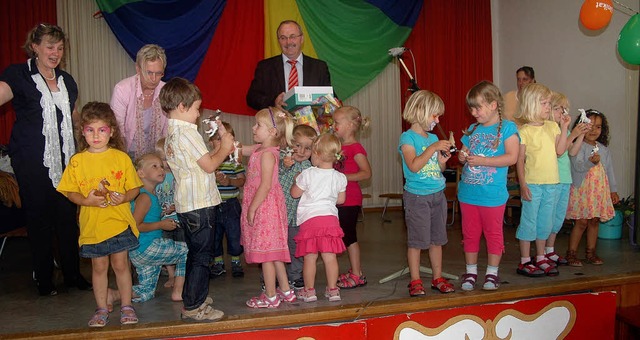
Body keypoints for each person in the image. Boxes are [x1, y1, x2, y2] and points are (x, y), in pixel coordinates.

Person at [0, 23, 90, 296]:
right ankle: (44, 278)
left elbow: (75, 119)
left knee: (66, 218)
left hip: (66, 162)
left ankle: (73, 274)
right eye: (50, 47)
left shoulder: (67, 81)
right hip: (31, 161)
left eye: (60, 48)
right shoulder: (18, 75)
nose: (55, 52)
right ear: (35, 47)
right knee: (38, 219)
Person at [56, 102, 142, 327]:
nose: (96, 135)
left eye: (101, 130)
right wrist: (85, 201)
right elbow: (70, 191)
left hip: (119, 223)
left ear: (111, 131)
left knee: (121, 265)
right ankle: (102, 308)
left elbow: (134, 189)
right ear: (82, 132)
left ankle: (126, 305)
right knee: (99, 267)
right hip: (92, 227)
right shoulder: (77, 162)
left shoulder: (121, 158)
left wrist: (123, 197)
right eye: (90, 130)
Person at [160, 77, 233, 321]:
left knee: (195, 254)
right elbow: (211, 164)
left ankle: (195, 294)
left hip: (187, 203)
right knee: (202, 257)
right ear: (182, 106)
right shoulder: (187, 134)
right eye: (196, 108)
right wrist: (226, 145)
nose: (199, 114)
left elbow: (200, 162)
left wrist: (218, 149)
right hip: (199, 204)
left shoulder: (172, 132)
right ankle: (193, 306)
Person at [457, 81, 519, 291]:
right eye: (471, 108)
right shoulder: (473, 129)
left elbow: (512, 157)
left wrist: (483, 161)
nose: (474, 112)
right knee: (470, 234)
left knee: (493, 234)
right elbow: (462, 154)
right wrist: (463, 156)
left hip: (492, 195)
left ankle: (492, 274)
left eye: (478, 107)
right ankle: (471, 272)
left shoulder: (509, 128)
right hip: (468, 194)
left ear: (493, 105)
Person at [398, 90, 455, 296]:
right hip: (417, 197)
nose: (437, 120)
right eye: (434, 115)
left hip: (437, 194)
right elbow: (413, 165)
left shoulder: (432, 137)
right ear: (421, 112)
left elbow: (435, 169)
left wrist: (441, 162)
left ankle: (437, 277)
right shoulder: (407, 138)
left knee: (436, 240)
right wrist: (432, 148)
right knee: (417, 241)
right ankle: (415, 280)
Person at [241, 106, 296, 308]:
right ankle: (287, 291)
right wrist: (223, 134)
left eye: (258, 125)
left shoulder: (267, 154)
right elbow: (240, 149)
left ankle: (271, 296)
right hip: (266, 205)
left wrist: (252, 208)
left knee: (266, 254)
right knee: (273, 252)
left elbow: (265, 185)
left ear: (272, 132)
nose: (253, 128)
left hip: (264, 206)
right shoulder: (259, 149)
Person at [514, 83, 570, 277]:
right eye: (544, 103)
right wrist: (522, 184)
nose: (548, 107)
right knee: (529, 221)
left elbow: (560, 150)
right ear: (531, 105)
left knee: (545, 222)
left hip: (552, 183)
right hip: (533, 184)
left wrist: (564, 128)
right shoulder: (524, 131)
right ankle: (524, 260)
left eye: (548, 103)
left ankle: (540, 257)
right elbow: (519, 160)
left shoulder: (552, 126)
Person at [291, 133, 347, 302]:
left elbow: (294, 194)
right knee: (330, 257)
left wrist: (296, 181)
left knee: (310, 257)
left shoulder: (307, 174)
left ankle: (309, 291)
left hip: (310, 221)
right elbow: (341, 200)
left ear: (318, 154)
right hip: (330, 221)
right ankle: (333, 290)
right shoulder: (340, 177)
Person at [129, 153, 187, 303]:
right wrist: (161, 224)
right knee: (188, 250)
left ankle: (113, 295)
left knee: (146, 292)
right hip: (146, 247)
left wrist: (161, 216)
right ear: (140, 173)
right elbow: (136, 226)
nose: (160, 169)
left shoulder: (149, 195)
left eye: (161, 166)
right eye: (154, 166)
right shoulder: (145, 197)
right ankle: (179, 291)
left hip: (140, 252)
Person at [566, 109, 619, 266]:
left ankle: (591, 253)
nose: (594, 130)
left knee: (594, 220)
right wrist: (591, 162)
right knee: (581, 222)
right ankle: (571, 254)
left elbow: (609, 171)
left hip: (598, 192)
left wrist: (613, 191)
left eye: (598, 127)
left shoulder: (604, 149)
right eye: (590, 126)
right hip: (582, 190)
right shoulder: (578, 146)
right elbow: (577, 167)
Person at [545, 93, 591, 266]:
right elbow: (559, 150)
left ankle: (550, 249)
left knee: (558, 217)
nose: (561, 112)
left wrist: (580, 134)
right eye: (557, 108)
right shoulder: (549, 129)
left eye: (564, 109)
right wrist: (572, 134)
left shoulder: (564, 129)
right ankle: (542, 252)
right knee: (548, 217)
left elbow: (572, 152)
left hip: (565, 179)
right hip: (552, 179)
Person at [246, 20, 332, 110]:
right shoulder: (265, 67)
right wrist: (273, 102)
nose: (288, 42)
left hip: (309, 123)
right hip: (277, 122)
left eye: (293, 37)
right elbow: (252, 98)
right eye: (283, 38)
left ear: (302, 39)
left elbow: (331, 98)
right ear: (278, 41)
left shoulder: (319, 67)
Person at [332, 106, 371, 289]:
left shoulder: (356, 148)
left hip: (350, 199)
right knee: (344, 236)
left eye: (337, 123)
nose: (333, 126)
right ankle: (356, 271)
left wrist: (343, 177)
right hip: (339, 199)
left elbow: (366, 173)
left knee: (349, 237)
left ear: (349, 125)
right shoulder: (338, 147)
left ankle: (357, 273)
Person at [111, 44, 168, 160]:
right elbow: (117, 130)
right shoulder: (122, 89)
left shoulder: (165, 91)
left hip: (157, 154)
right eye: (149, 73)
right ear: (138, 69)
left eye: (159, 73)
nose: (154, 79)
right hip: (127, 152)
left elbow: (168, 130)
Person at [280, 124, 317, 289]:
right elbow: (274, 176)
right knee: (279, 246)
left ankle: (295, 275)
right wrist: (285, 167)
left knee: (296, 246)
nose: (302, 151)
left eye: (307, 148)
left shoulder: (309, 167)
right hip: (279, 213)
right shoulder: (283, 160)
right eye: (298, 146)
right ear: (290, 144)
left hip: (298, 216)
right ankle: (274, 276)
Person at [208, 122, 246, 278]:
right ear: (211, 141)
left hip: (231, 204)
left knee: (234, 234)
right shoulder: (209, 159)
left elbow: (242, 180)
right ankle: (218, 262)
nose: (222, 141)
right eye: (218, 138)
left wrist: (229, 182)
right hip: (213, 204)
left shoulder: (234, 161)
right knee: (214, 235)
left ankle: (236, 261)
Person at [154, 137, 183, 288]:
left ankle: (180, 276)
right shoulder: (157, 179)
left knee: (181, 245)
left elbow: (183, 194)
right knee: (166, 246)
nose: (165, 164)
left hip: (178, 218)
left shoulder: (178, 175)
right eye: (162, 161)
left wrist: (175, 205)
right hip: (163, 219)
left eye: (168, 159)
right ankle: (171, 275)